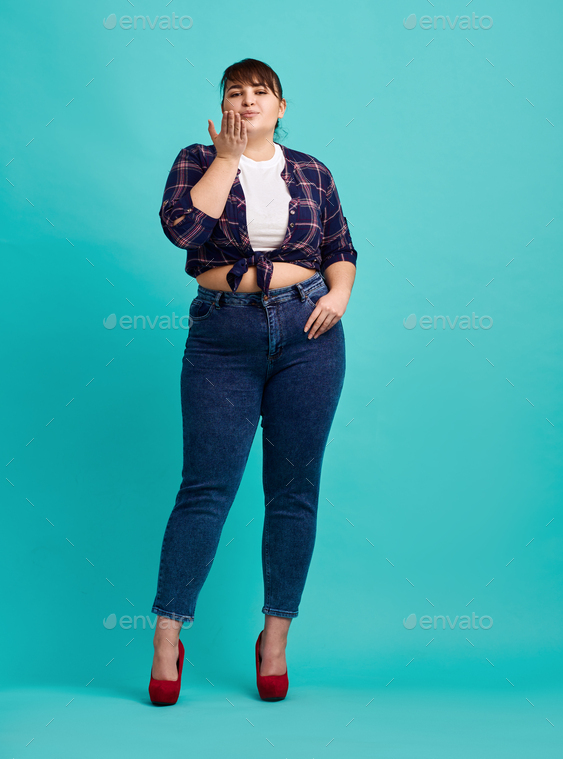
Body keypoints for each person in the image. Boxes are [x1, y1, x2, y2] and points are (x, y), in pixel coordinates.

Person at [148, 58, 357, 704]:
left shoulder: (313, 171)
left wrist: (340, 295)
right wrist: (225, 158)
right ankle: (165, 639)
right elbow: (182, 229)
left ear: (282, 106)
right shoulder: (195, 159)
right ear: (223, 107)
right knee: (206, 488)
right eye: (234, 93)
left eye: (259, 92)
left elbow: (341, 246)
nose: (247, 100)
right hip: (223, 335)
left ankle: (274, 638)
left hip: (308, 336)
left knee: (293, 490)